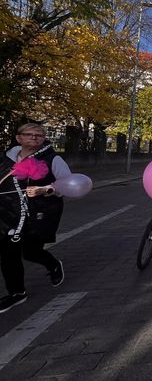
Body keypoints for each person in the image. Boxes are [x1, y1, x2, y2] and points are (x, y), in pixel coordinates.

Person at [0, 123, 69, 313]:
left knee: (30, 251)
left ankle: (53, 264)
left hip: (38, 213)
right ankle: (17, 293)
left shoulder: (52, 159)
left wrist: (46, 189)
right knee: (8, 253)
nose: (34, 137)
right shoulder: (5, 159)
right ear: (18, 138)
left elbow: (67, 183)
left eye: (39, 135)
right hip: (7, 214)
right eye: (29, 134)